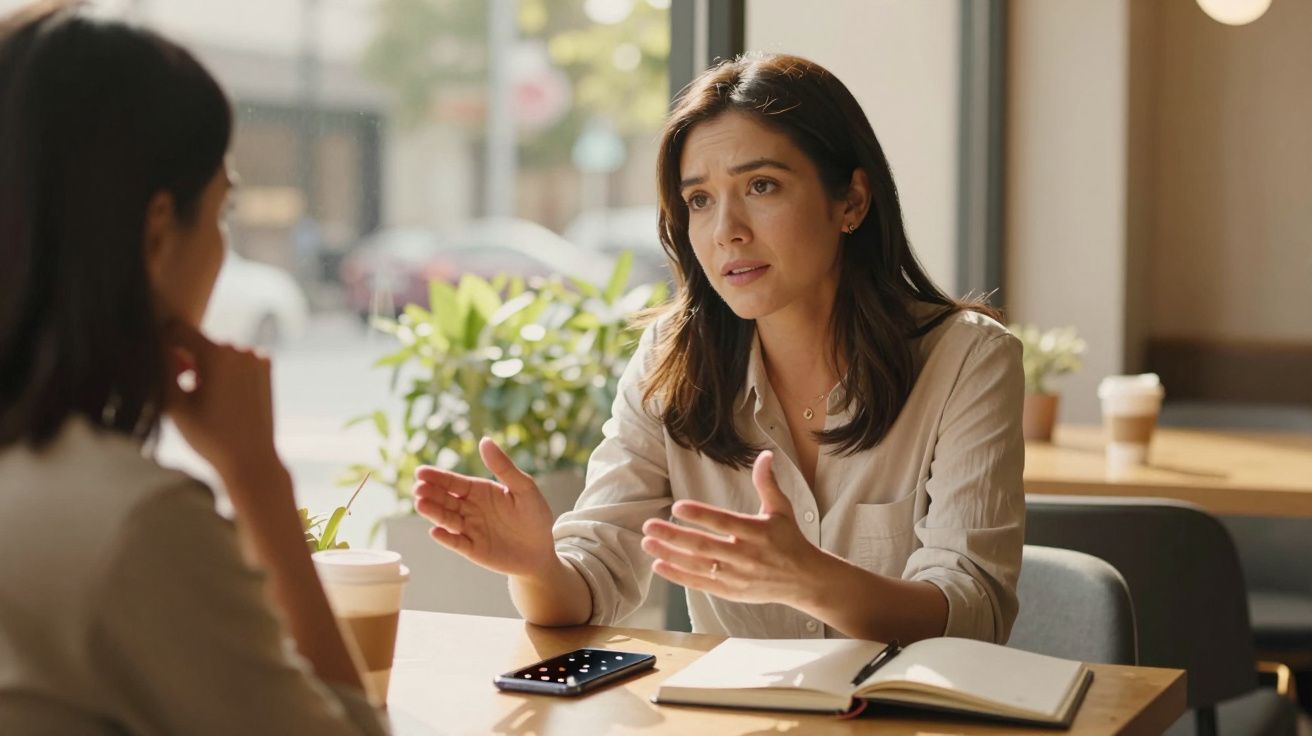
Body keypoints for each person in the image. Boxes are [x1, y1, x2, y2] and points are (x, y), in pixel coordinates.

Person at [414, 52, 1024, 645]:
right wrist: (537, 566)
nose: (727, 230)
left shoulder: (967, 360)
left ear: (852, 202)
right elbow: (592, 577)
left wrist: (813, 581)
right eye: (699, 200)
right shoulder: (671, 361)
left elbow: (974, 611)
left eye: (761, 185)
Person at [0, 5, 387, 733]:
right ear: (156, 234)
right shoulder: (132, 525)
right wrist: (258, 479)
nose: (221, 244)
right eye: (221, 211)